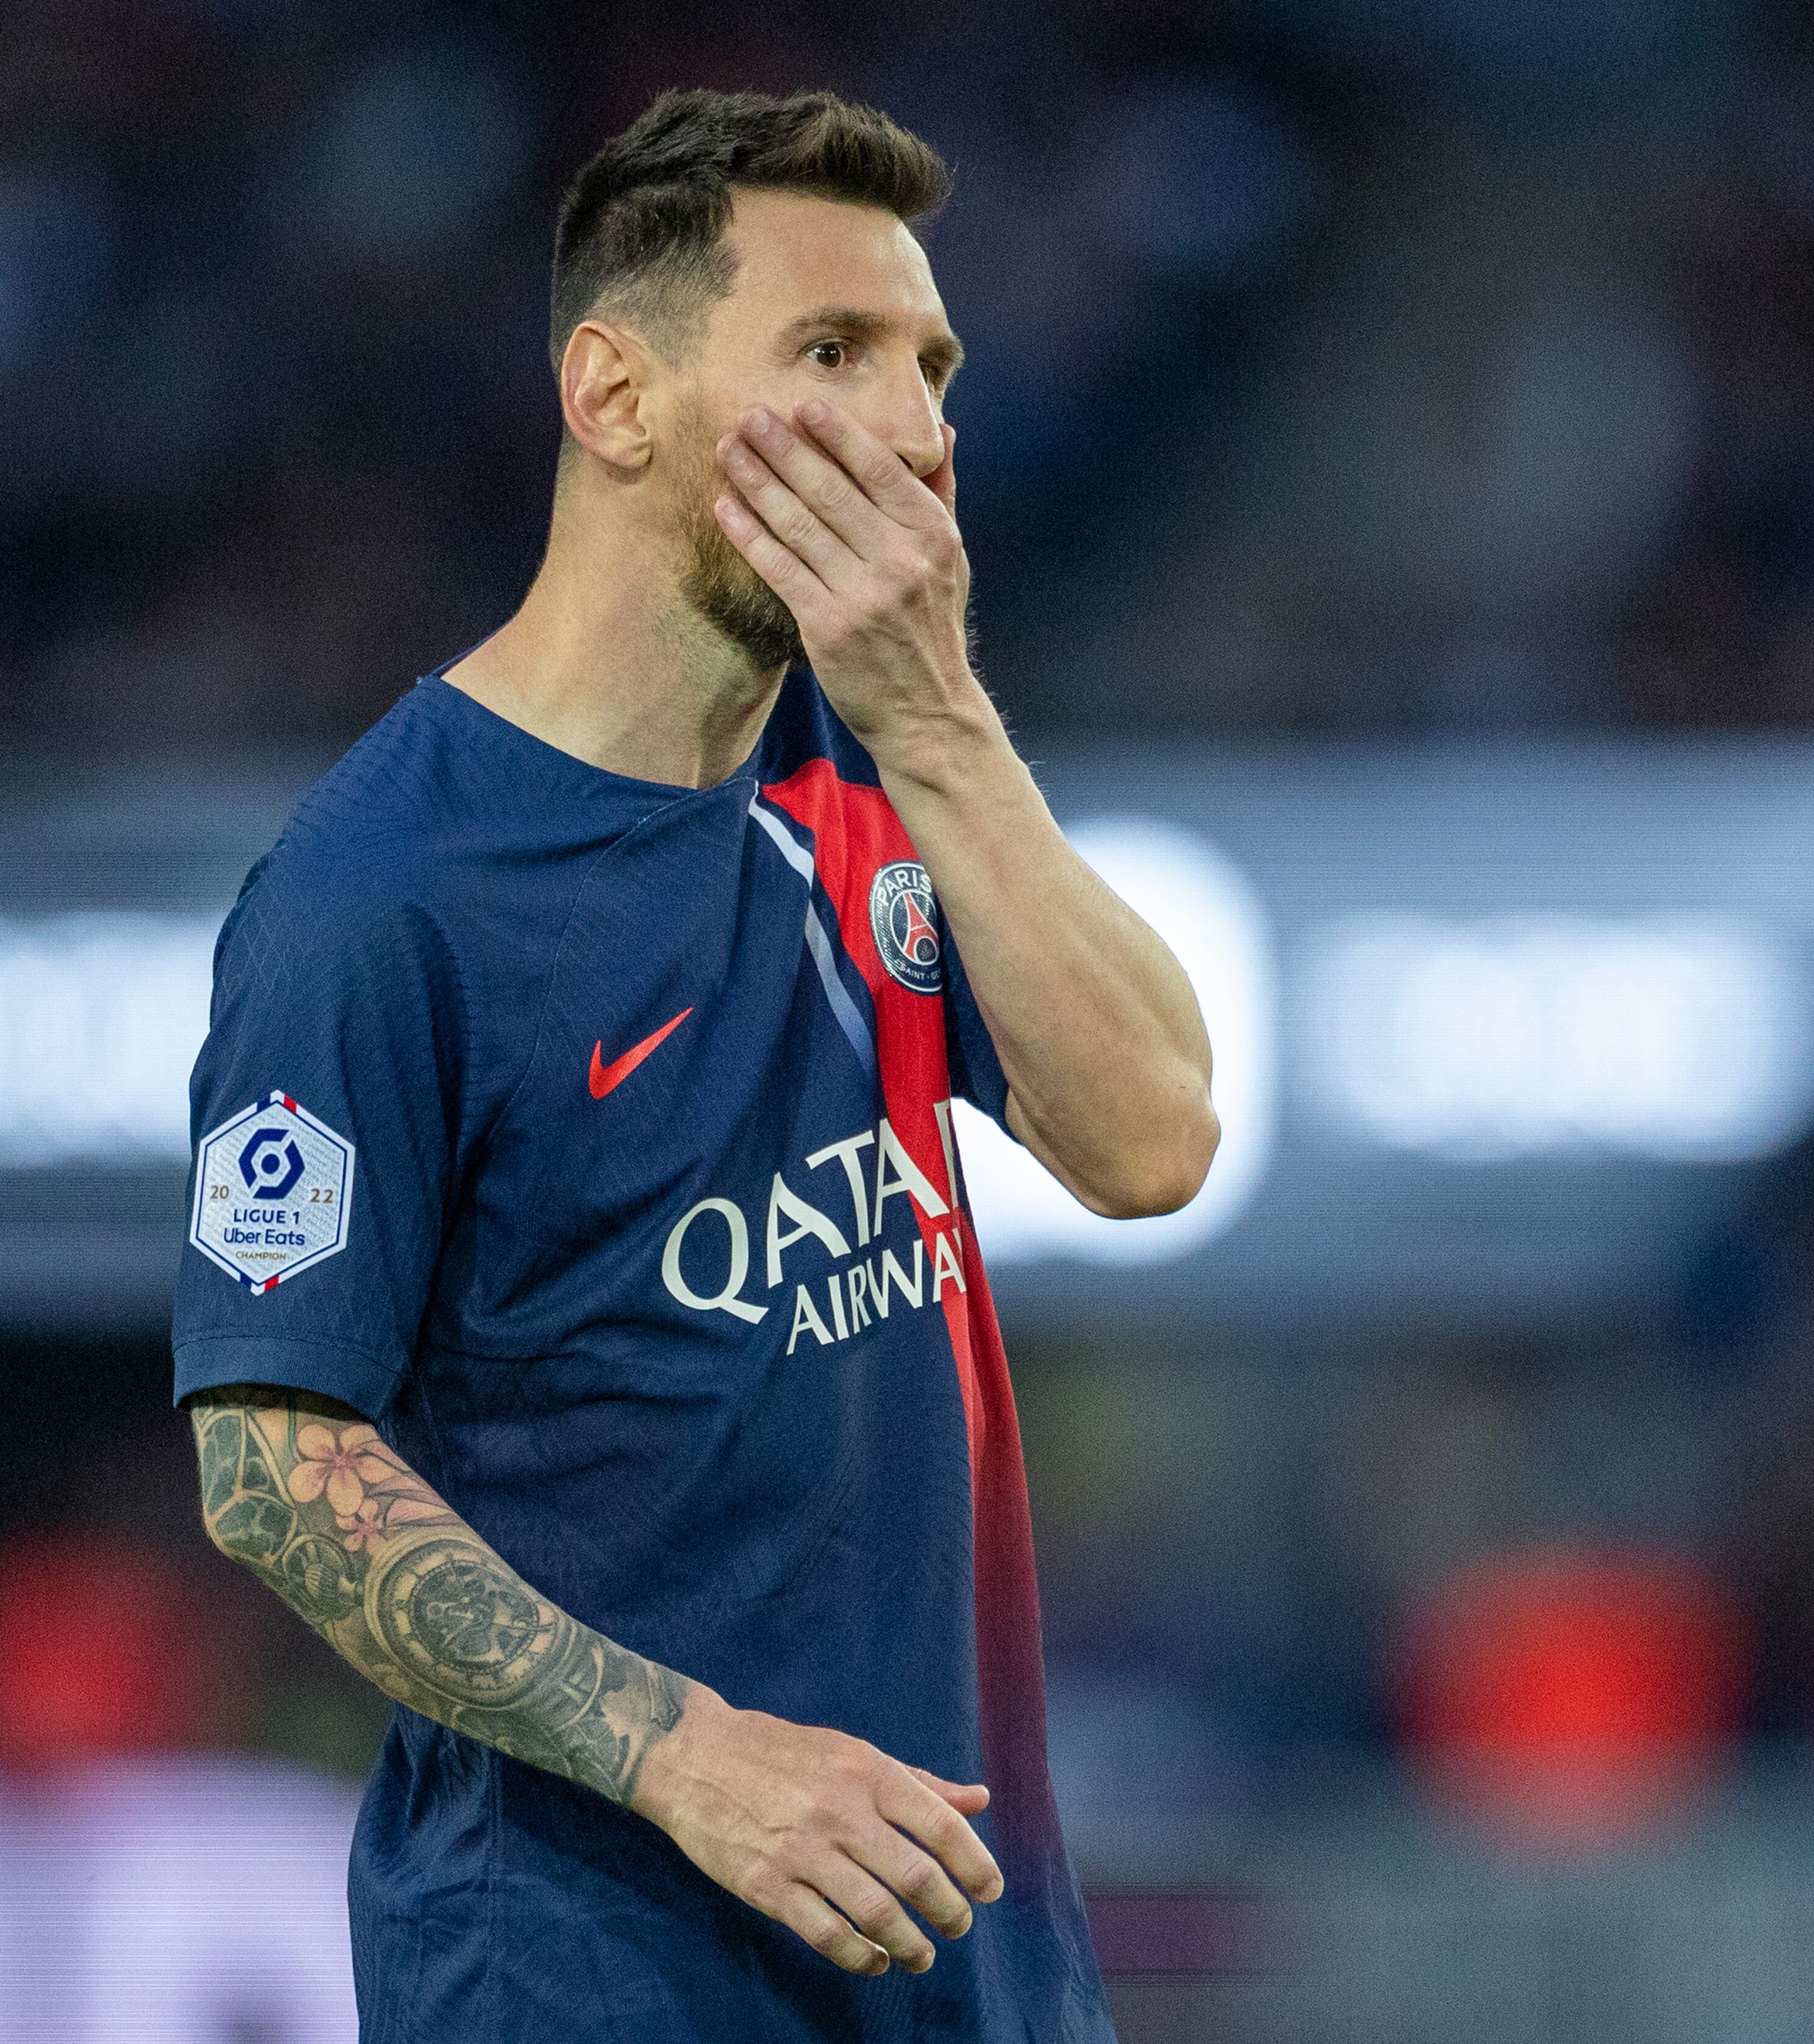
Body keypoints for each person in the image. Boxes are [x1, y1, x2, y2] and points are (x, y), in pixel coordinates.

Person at [172, 87, 1218, 2043]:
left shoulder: (881, 773)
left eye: (932, 367)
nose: (911, 430)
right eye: (832, 355)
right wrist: (683, 1754)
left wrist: (942, 719)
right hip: (591, 1976)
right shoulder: (381, 896)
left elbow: (1155, 1139)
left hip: (963, 1968)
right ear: (615, 395)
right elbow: (270, 1460)